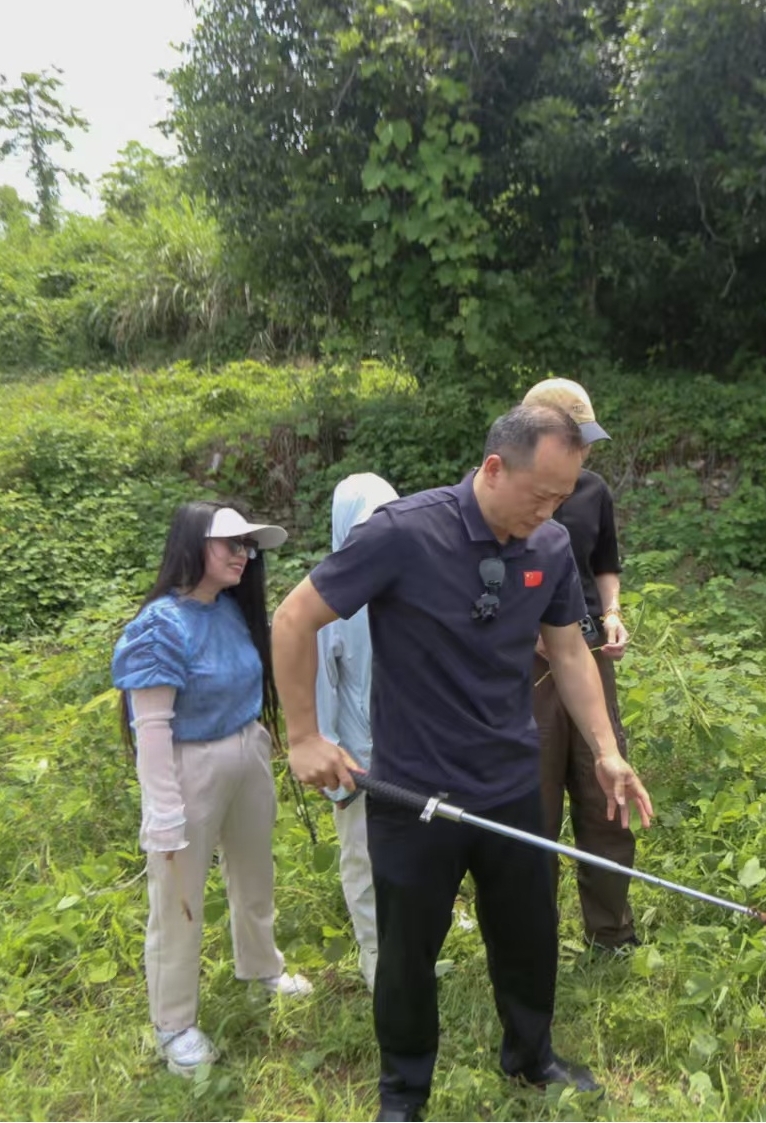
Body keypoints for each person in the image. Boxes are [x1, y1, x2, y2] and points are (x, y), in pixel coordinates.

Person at [270, 404, 653, 1123]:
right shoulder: (403, 533)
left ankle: (532, 1058)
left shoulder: (549, 546)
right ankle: (404, 1093)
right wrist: (303, 735)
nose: (550, 511)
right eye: (540, 494)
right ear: (494, 468)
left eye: (562, 497)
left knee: (528, 936)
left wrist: (606, 751)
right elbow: (294, 617)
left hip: (510, 781)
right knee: (407, 953)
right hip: (413, 791)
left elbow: (569, 651)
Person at [111, 501, 313, 1078]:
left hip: (247, 750)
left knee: (255, 873)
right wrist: (163, 810)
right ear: (193, 544)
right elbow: (151, 725)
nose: (242, 555)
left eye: (247, 545)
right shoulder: (161, 626)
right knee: (179, 899)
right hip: (190, 765)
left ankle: (261, 966)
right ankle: (173, 1023)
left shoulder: (231, 610)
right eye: (230, 544)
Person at [521, 378, 637, 951]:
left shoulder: (592, 490)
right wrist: (528, 631)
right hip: (527, 667)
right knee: (534, 798)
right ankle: (531, 936)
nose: (585, 450)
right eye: (574, 437)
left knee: (604, 790)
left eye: (587, 438)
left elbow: (604, 564)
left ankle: (611, 932)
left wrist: (612, 614)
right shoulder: (505, 490)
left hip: (587, 651)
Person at [315, 473, 400, 992]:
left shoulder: (412, 584)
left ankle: (410, 953)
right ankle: (377, 962)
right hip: (359, 760)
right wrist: (332, 763)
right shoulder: (328, 599)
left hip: (413, 751)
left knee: (413, 857)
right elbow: (320, 690)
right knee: (364, 860)